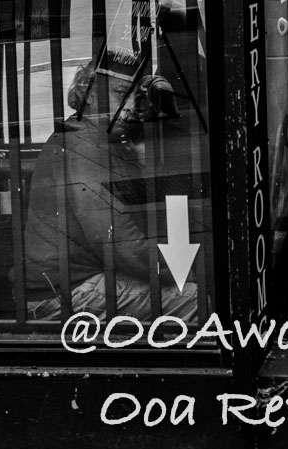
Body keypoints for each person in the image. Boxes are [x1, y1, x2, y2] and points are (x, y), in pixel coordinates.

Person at [22, 69, 199, 322]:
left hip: (68, 281)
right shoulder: (87, 146)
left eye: (137, 98)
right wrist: (173, 270)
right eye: (120, 94)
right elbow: (118, 240)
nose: (130, 107)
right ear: (90, 95)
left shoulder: (97, 137)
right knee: (191, 298)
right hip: (64, 292)